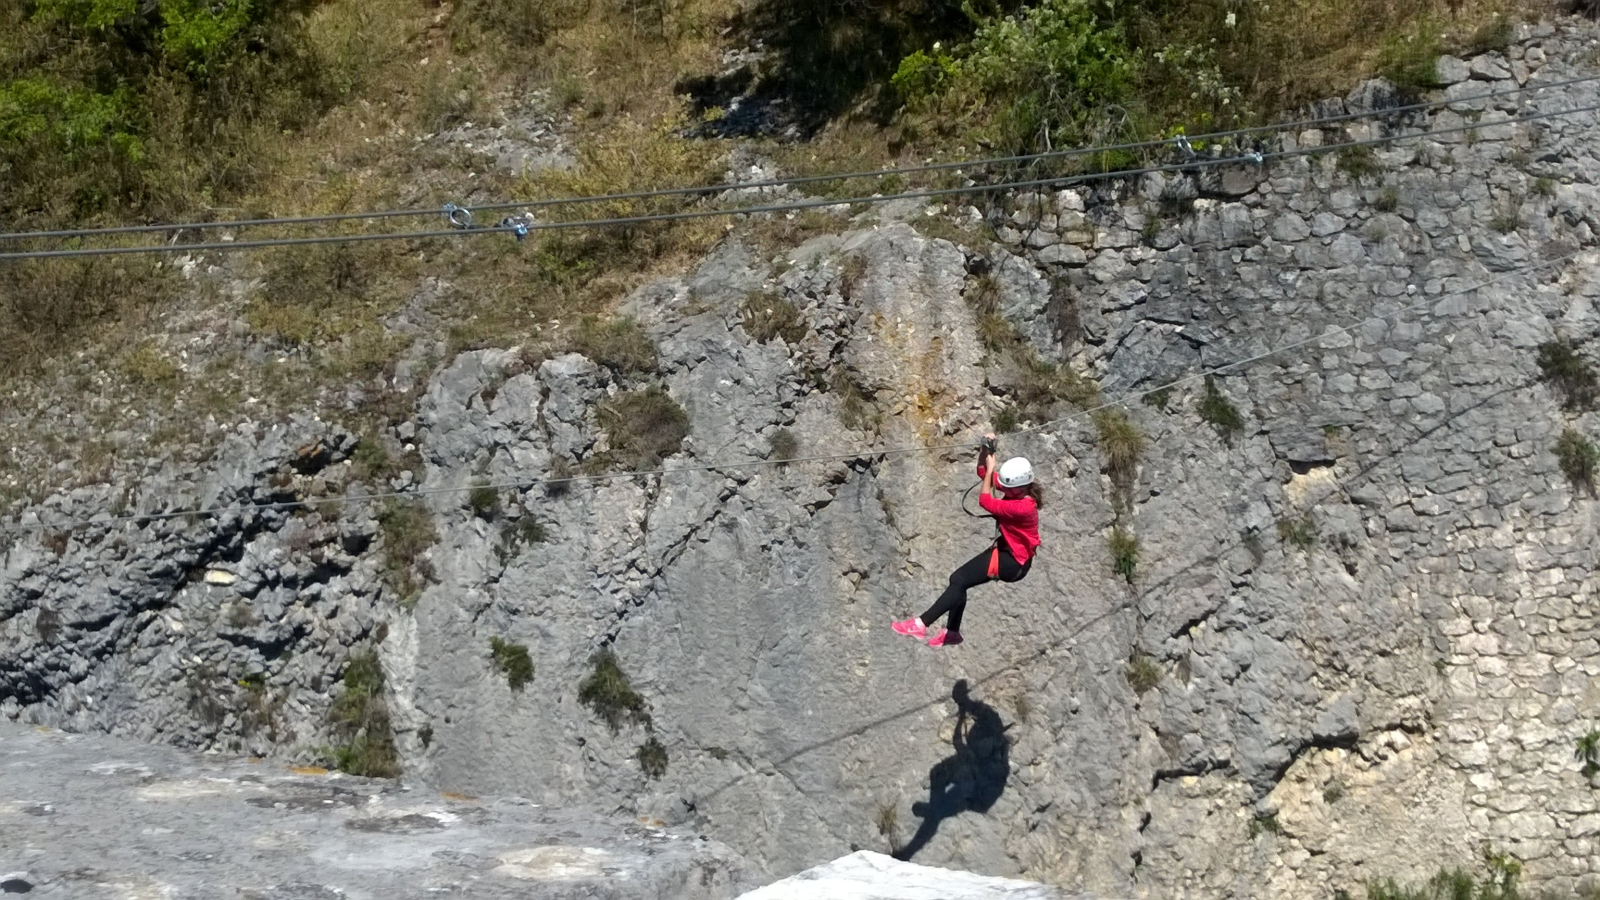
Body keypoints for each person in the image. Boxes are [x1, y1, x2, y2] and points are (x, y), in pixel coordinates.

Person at [892, 432, 1041, 647]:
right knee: (958, 580)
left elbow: (985, 501)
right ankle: (951, 632)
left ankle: (921, 624)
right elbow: (983, 473)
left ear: (1022, 486)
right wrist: (985, 450)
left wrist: (991, 470)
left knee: (959, 580)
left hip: (1013, 562)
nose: (1005, 490)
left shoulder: (1024, 507)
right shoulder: (1017, 490)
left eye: (1009, 488)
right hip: (1009, 555)